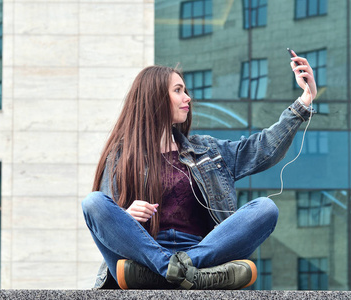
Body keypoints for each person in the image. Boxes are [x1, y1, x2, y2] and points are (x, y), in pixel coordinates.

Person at [82, 52, 317, 290]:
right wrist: (126, 216)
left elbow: (262, 149)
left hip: (202, 252)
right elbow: (105, 218)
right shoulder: (121, 157)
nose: (187, 98)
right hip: (142, 255)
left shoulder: (206, 150)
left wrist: (303, 102)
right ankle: (176, 271)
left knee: (266, 209)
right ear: (155, 97)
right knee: (92, 203)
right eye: (178, 90)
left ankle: (175, 269)